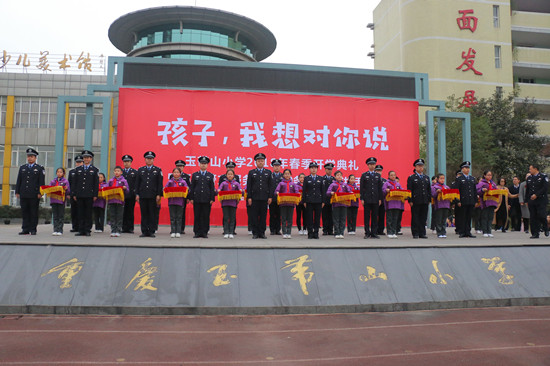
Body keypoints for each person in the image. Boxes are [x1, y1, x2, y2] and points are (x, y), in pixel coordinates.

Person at [15, 148, 45, 235]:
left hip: (34, 194)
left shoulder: (39, 168)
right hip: (24, 193)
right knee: (25, 212)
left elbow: (41, 182)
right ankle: (25, 229)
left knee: (33, 212)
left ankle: (33, 229)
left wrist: (40, 192)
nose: (29, 158)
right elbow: (19, 180)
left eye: (31, 157)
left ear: (35, 158)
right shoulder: (22, 168)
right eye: (28, 156)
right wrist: (17, 191)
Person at [135, 151, 163, 238]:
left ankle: (151, 231)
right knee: (144, 213)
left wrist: (159, 194)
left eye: (151, 159)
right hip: (143, 194)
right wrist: (137, 194)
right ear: (145, 160)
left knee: (152, 213)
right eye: (147, 159)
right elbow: (137, 183)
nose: (149, 160)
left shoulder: (158, 170)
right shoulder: (140, 170)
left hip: (153, 195)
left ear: (153, 160)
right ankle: (144, 231)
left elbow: (160, 183)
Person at [73, 150, 99, 237]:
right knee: (80, 213)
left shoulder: (94, 170)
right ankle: (81, 230)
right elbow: (75, 183)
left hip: (89, 195)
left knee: (88, 213)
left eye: (88, 157)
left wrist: (95, 194)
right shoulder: (78, 169)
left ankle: (87, 230)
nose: (86, 159)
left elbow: (96, 183)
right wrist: (74, 194)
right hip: (80, 194)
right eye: (84, 158)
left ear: (91, 159)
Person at [247, 153, 272, 239]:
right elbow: (249, 186)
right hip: (254, 198)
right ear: (255, 162)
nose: (260, 162)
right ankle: (255, 233)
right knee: (254, 216)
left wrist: (270, 197)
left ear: (264, 162)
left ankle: (262, 232)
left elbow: (270, 186)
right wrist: (249, 197)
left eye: (262, 161)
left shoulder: (268, 172)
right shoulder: (251, 172)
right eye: (258, 161)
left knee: (263, 216)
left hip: (264, 198)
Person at [189, 156, 216, 239]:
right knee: (197, 215)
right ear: (199, 164)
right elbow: (192, 187)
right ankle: (197, 232)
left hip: (207, 199)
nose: (203, 165)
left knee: (205, 216)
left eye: (205, 164)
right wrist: (191, 198)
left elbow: (212, 188)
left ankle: (204, 232)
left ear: (207, 165)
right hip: (197, 199)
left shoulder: (210, 175)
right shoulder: (195, 175)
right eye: (202, 163)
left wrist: (212, 198)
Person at [407, 158, 431, 239]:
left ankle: (422, 233)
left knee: (423, 217)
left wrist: (429, 199)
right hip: (415, 201)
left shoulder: (426, 178)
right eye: (419, 166)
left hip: (424, 200)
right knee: (415, 217)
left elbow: (428, 189)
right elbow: (409, 190)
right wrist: (410, 200)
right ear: (415, 167)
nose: (420, 168)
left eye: (422, 166)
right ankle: (415, 233)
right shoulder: (412, 177)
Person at [360, 157, 383, 239]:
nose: (372, 166)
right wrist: (362, 198)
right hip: (367, 199)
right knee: (366, 216)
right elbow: (362, 188)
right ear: (367, 165)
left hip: (376, 199)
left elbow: (380, 188)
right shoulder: (364, 175)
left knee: (374, 216)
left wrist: (380, 199)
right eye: (370, 164)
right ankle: (367, 232)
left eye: (373, 164)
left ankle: (374, 232)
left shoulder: (377, 175)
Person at [325, 170, 352, 238]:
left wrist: (351, 193)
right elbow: (328, 192)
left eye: (340, 175)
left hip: (344, 204)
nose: (339, 176)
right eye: (338, 175)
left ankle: (341, 232)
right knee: (336, 218)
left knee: (343, 218)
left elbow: (349, 191)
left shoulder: (345, 185)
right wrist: (331, 193)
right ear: (335, 177)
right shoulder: (333, 184)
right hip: (336, 204)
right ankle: (336, 232)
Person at [455, 161, 478, 238]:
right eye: (465, 168)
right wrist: (458, 201)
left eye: (468, 168)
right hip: (463, 201)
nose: (467, 169)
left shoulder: (472, 179)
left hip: (470, 200)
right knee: (463, 217)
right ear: (462, 169)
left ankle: (468, 231)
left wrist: (475, 201)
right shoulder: (459, 179)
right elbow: (456, 191)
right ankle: (462, 232)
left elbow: (474, 190)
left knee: (469, 217)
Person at [275, 169, 300, 239]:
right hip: (283, 203)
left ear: (290, 175)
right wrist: (277, 192)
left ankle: (289, 232)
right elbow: (276, 190)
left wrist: (297, 194)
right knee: (283, 218)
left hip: (291, 204)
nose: (287, 175)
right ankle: (284, 232)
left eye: (288, 174)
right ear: (283, 175)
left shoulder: (293, 184)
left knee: (289, 219)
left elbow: (296, 191)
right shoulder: (281, 183)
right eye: (285, 174)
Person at [526, 164, 549, 239]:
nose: (529, 171)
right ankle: (535, 233)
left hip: (541, 199)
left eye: (530, 169)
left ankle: (545, 227)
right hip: (532, 200)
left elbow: (545, 188)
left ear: (535, 169)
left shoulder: (543, 177)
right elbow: (528, 190)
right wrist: (527, 200)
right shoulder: (529, 178)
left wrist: (537, 194)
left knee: (541, 215)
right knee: (533, 217)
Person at [165, 167, 188, 238]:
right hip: (171, 202)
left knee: (179, 217)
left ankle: (178, 231)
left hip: (180, 202)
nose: (176, 174)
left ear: (180, 174)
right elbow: (165, 189)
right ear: (172, 173)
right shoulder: (170, 182)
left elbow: (187, 190)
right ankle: (173, 231)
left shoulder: (183, 182)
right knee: (172, 217)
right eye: (175, 172)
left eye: (177, 172)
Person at [218, 169, 242, 239]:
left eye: (231, 174)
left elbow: (240, 191)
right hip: (225, 203)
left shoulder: (236, 183)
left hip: (233, 203)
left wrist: (240, 191)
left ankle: (231, 232)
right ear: (226, 175)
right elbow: (219, 190)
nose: (230, 175)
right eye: (228, 174)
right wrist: (219, 191)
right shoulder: (223, 183)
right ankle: (226, 232)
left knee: (232, 218)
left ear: (233, 175)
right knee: (226, 218)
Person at [303, 162, 324, 239]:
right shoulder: (306, 178)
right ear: (309, 169)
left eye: (315, 168)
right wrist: (304, 201)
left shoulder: (321, 178)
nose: (313, 169)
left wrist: (323, 201)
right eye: (312, 168)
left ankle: (316, 233)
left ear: (317, 169)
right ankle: (310, 233)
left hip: (318, 201)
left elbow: (323, 190)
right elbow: (304, 191)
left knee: (317, 218)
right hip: (309, 201)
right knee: (309, 218)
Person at [107, 166, 129, 237]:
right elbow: (107, 188)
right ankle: (113, 230)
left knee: (119, 216)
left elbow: (128, 190)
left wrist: (125, 188)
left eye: (118, 171)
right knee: (112, 216)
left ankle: (118, 230)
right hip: (111, 200)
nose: (116, 172)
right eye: (115, 171)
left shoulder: (124, 181)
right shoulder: (110, 181)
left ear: (121, 172)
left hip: (120, 201)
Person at [383, 170, 405, 238]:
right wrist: (386, 191)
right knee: (389, 218)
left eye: (394, 175)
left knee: (395, 219)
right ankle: (389, 232)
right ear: (389, 176)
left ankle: (394, 232)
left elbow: (401, 191)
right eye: (391, 175)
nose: (393, 176)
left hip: (397, 204)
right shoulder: (386, 183)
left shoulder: (397, 184)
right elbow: (383, 191)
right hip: (389, 204)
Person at [476, 170, 498, 238]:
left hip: (492, 202)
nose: (489, 176)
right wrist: (482, 190)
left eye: (490, 175)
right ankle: (484, 231)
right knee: (485, 216)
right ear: (484, 175)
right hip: (485, 202)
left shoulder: (493, 183)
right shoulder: (482, 183)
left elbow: (496, 190)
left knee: (490, 217)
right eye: (488, 175)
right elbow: (477, 191)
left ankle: (489, 231)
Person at [49, 167, 70, 236]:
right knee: (55, 215)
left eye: (61, 172)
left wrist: (66, 189)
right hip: (54, 200)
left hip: (61, 201)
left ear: (63, 173)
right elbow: (49, 189)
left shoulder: (65, 181)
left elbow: (68, 191)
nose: (59, 173)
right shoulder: (53, 181)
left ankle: (60, 230)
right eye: (58, 172)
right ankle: (55, 230)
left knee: (60, 215)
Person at [121, 155, 138, 234]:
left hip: (131, 195)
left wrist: (136, 194)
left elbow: (136, 184)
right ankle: (124, 227)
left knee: (130, 211)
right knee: (123, 211)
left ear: (131, 162)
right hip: (122, 195)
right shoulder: (120, 172)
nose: (126, 163)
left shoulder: (135, 172)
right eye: (125, 162)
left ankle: (130, 228)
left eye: (128, 162)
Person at [431, 173, 451, 238]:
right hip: (439, 205)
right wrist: (437, 192)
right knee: (439, 219)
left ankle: (443, 232)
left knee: (444, 219)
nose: (442, 180)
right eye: (441, 178)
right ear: (437, 179)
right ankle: (439, 232)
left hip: (446, 205)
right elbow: (433, 195)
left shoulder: (447, 187)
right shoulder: (434, 187)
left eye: (443, 178)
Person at [174, 160, 191, 235]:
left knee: (182, 213)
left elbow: (189, 188)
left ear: (183, 167)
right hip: (174, 198)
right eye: (178, 166)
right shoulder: (172, 176)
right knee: (174, 213)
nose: (179, 167)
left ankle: (181, 228)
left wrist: (188, 198)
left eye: (181, 166)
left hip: (182, 198)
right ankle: (174, 228)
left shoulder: (186, 177)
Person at [68, 155, 83, 233]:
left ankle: (81, 226)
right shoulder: (72, 172)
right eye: (77, 162)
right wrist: (69, 193)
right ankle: (75, 226)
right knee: (74, 211)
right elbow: (69, 183)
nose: (78, 164)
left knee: (81, 212)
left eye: (80, 162)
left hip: (81, 194)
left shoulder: (84, 172)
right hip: (72, 194)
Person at [269, 159, 283, 235]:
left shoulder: (283, 176)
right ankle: (272, 230)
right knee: (272, 214)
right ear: (273, 167)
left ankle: (278, 229)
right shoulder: (270, 175)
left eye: (278, 166)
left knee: (279, 214)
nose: (277, 167)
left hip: (280, 199)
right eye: (275, 166)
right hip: (272, 198)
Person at [322, 162, 335, 236]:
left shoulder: (334, 179)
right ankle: (325, 230)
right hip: (324, 200)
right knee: (324, 216)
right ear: (325, 170)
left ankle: (330, 230)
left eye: (331, 169)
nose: (329, 171)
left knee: (331, 216)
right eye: (328, 169)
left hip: (332, 200)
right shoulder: (322, 179)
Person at [375, 164, 387, 235]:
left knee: (382, 216)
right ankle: (375, 230)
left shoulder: (384, 181)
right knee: (375, 216)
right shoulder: (373, 180)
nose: (379, 172)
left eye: (380, 171)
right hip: (375, 201)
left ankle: (381, 230)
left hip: (383, 201)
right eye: (377, 171)